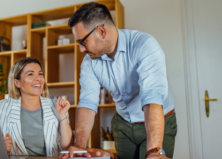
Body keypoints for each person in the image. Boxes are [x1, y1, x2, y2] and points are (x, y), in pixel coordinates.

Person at [62, 2, 177, 159]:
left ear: (101, 31)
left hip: (157, 120)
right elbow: (88, 103)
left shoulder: (144, 45)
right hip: (122, 124)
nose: (81, 49)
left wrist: (154, 151)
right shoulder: (89, 62)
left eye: (83, 42)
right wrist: (79, 148)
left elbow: (152, 98)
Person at [0, 57, 73, 156]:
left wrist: (62, 116)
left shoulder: (56, 106)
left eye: (40, 74)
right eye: (30, 74)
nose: (38, 79)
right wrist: (2, 146)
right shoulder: (4, 107)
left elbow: (67, 148)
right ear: (17, 83)